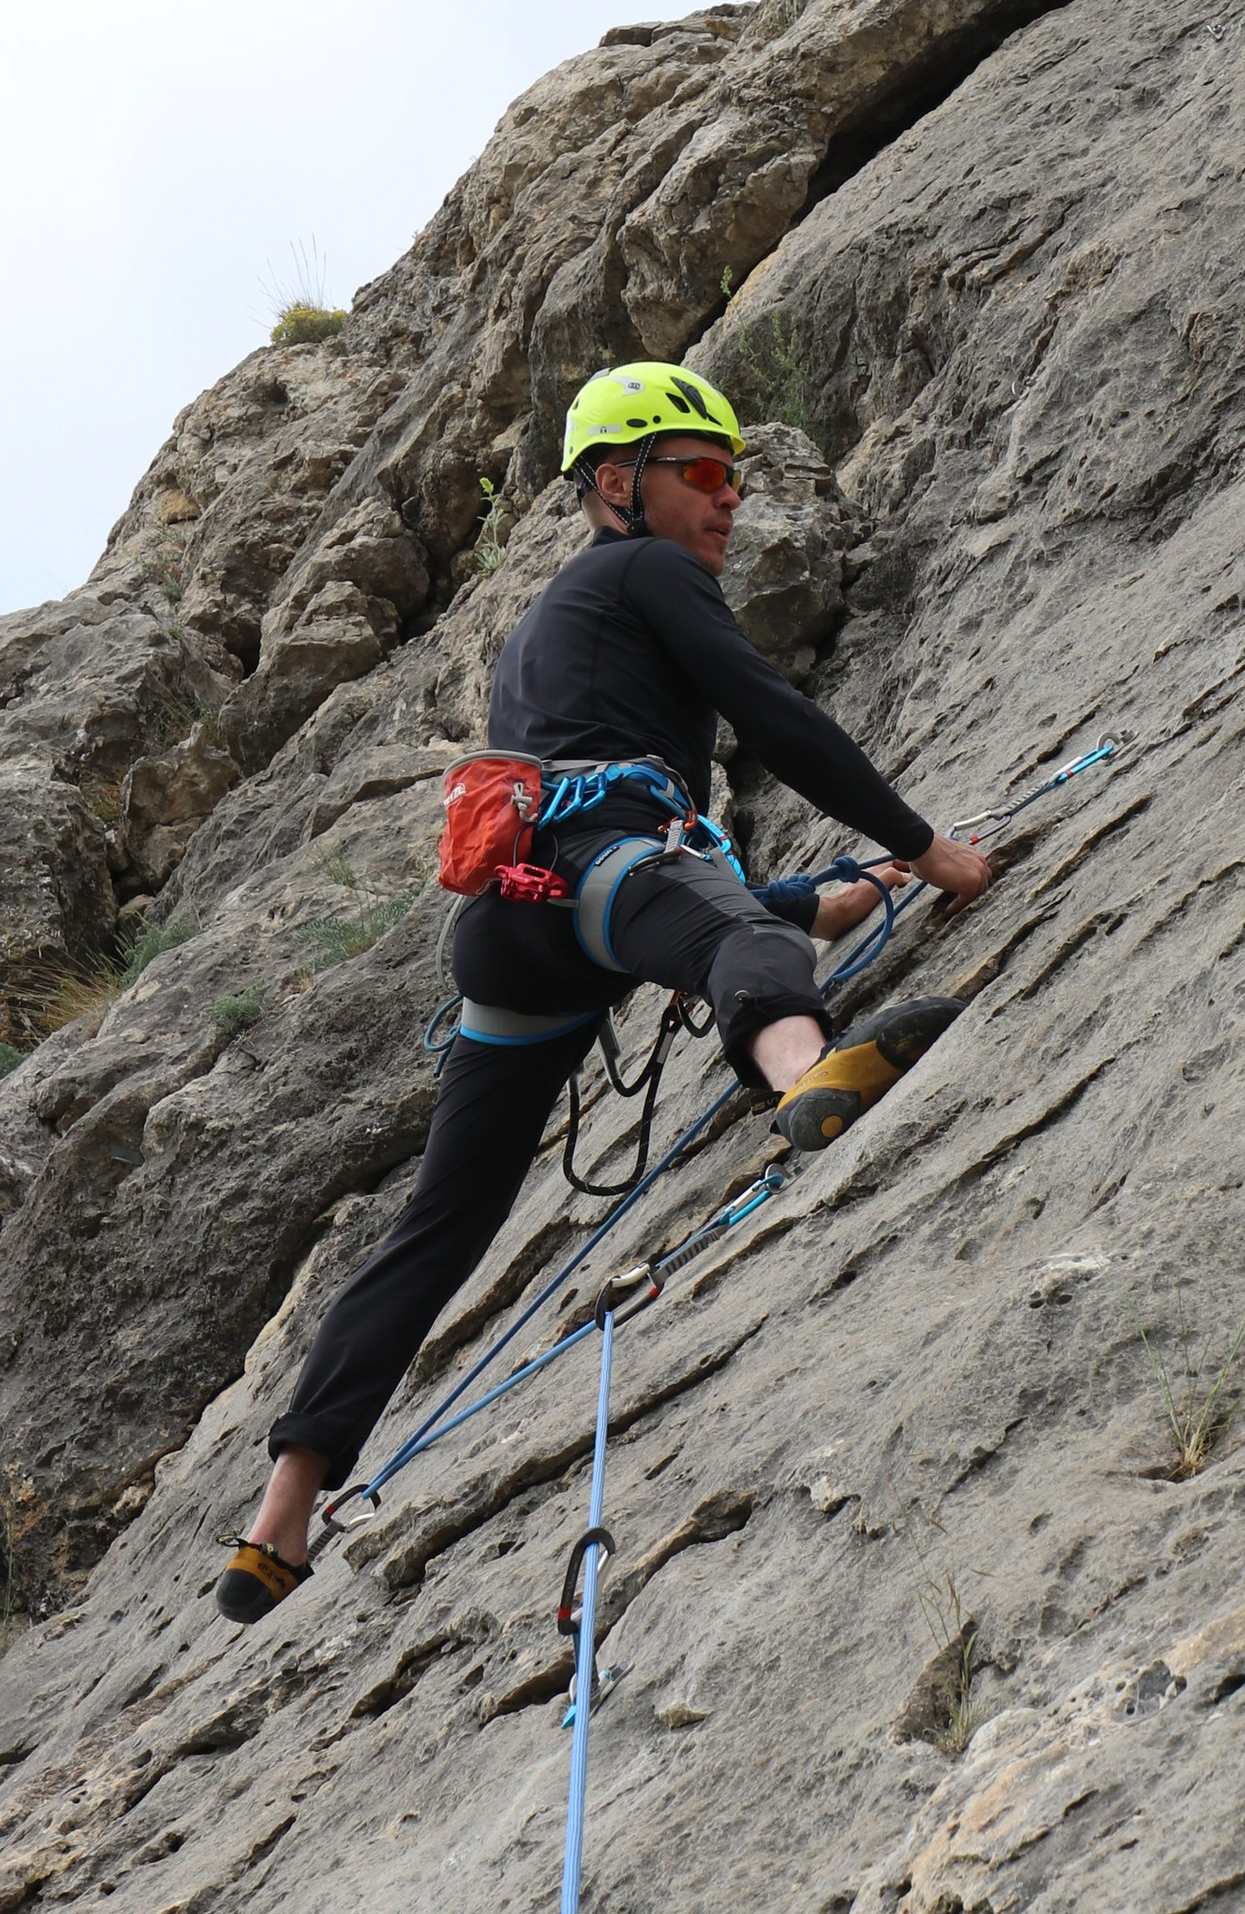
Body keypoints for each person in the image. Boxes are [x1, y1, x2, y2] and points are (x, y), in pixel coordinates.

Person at [216, 361, 994, 1622]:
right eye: (702, 473)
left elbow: (648, 876)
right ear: (617, 486)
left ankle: (281, 1516)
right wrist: (924, 846)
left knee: (444, 1219)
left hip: (521, 925)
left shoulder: (555, 621)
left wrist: (811, 893)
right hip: (605, 863)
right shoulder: (645, 571)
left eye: (734, 477)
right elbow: (767, 715)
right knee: (745, 947)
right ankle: (807, 1082)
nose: (728, 501)